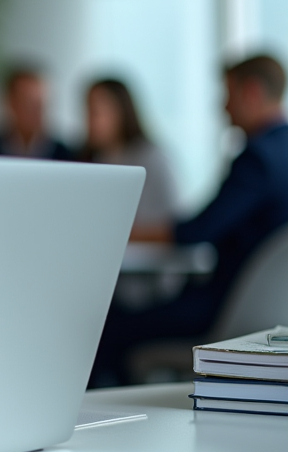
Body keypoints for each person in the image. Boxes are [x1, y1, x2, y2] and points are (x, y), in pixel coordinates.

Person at [93, 55, 288, 385]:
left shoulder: (257, 160)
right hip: (271, 312)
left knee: (105, 325)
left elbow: (196, 232)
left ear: (251, 92)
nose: (223, 107)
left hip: (225, 307)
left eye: (228, 95)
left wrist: (123, 232)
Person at [80, 78, 176, 229]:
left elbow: (173, 218)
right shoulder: (92, 159)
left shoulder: (152, 158)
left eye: (95, 112)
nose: (88, 121)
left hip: (148, 251)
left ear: (120, 113)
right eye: (86, 111)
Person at [0, 65, 74, 161]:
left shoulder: (67, 156)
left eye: (41, 103)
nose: (37, 110)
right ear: (9, 102)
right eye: (28, 103)